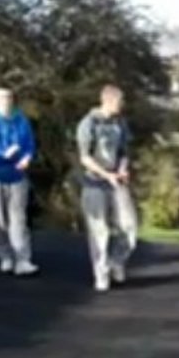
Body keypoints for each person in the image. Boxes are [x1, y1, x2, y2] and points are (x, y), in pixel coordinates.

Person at [76, 84, 137, 292]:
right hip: (95, 182)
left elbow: (124, 151)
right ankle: (101, 273)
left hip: (117, 181)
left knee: (129, 226)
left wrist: (122, 169)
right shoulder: (88, 123)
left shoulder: (120, 123)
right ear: (108, 101)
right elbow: (85, 157)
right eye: (119, 101)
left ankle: (116, 261)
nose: (122, 105)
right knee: (99, 231)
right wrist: (106, 174)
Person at [0, 86, 39, 276]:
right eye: (2, 98)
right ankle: (5, 256)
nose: (6, 101)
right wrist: (3, 155)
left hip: (18, 176)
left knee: (18, 219)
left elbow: (29, 145)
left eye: (9, 98)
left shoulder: (22, 121)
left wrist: (26, 158)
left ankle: (22, 258)